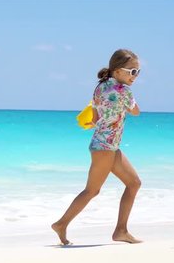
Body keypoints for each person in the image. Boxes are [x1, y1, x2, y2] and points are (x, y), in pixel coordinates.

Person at [52, 49, 143, 245]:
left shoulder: (100, 87)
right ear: (118, 71)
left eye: (138, 72)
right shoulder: (123, 90)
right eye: (132, 71)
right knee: (92, 190)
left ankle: (121, 230)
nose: (135, 76)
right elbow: (136, 112)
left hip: (105, 145)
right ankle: (61, 224)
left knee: (134, 183)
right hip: (106, 148)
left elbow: (93, 118)